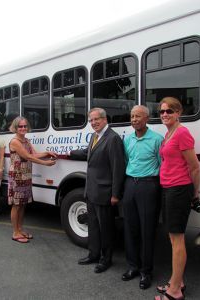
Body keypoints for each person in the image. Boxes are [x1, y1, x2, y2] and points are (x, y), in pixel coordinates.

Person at [155, 97, 200, 300]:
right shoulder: (169, 132)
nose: (165, 114)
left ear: (178, 112)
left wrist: (195, 194)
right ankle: (177, 281)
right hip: (169, 188)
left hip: (179, 189)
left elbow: (194, 167)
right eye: (162, 111)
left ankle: (174, 292)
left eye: (169, 111)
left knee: (177, 239)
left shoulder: (182, 133)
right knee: (172, 239)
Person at [69, 107, 125, 273]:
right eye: (91, 120)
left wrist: (115, 194)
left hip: (105, 193)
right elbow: (88, 153)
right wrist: (70, 152)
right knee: (93, 226)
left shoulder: (113, 138)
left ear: (104, 119)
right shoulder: (95, 136)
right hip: (92, 190)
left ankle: (106, 259)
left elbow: (118, 168)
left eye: (96, 119)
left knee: (105, 229)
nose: (93, 123)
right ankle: (93, 254)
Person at [121, 105, 163, 289]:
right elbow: (127, 161)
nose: (134, 119)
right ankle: (133, 267)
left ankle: (146, 271)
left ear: (147, 118)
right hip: (130, 184)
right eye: (132, 116)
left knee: (147, 230)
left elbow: (163, 165)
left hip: (148, 185)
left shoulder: (157, 140)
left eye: (138, 116)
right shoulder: (128, 139)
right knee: (130, 228)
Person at [8, 117, 57, 243]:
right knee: (17, 205)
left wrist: (46, 153)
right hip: (17, 177)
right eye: (20, 126)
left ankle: (20, 229)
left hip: (26, 176)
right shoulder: (15, 141)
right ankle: (15, 232)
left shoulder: (26, 141)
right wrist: (45, 163)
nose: (23, 128)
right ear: (15, 128)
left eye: (25, 126)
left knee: (23, 204)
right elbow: (28, 156)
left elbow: (34, 154)